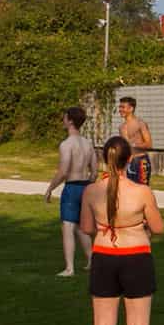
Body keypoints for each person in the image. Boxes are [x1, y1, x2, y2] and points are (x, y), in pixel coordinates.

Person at [80, 135, 164, 325]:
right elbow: (159, 227)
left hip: (104, 256)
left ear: (106, 158)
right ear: (129, 159)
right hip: (136, 257)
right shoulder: (142, 192)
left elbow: (86, 227)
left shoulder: (91, 191)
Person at [44, 107, 99, 276]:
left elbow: (63, 171)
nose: (62, 119)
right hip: (86, 187)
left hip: (72, 187)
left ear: (70, 121)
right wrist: (88, 185)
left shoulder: (66, 144)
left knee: (68, 226)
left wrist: (50, 188)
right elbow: (95, 171)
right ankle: (91, 260)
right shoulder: (88, 143)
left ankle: (69, 268)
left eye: (64, 117)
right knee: (82, 226)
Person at [117, 96, 155, 185]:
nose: (120, 109)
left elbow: (149, 144)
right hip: (127, 162)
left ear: (131, 108)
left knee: (142, 190)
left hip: (140, 161)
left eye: (123, 107)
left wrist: (131, 144)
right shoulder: (121, 127)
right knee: (128, 190)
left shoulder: (140, 123)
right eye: (119, 107)